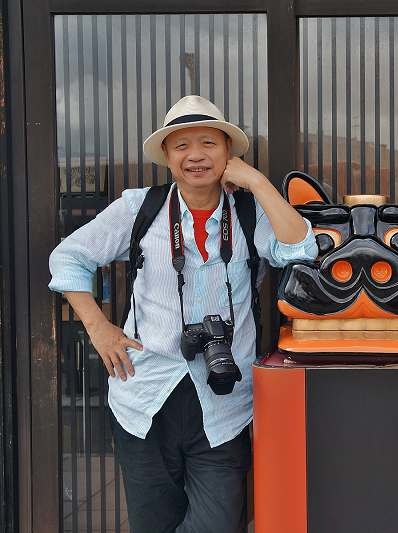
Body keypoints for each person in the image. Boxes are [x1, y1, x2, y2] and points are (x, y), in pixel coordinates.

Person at [48, 95, 317, 533]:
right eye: (182, 146)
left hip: (225, 402)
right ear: (167, 156)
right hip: (145, 396)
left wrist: (256, 182)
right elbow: (68, 257)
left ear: (228, 153)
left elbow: (301, 249)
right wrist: (98, 328)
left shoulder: (249, 213)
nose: (196, 155)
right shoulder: (140, 209)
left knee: (219, 524)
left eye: (209, 143)